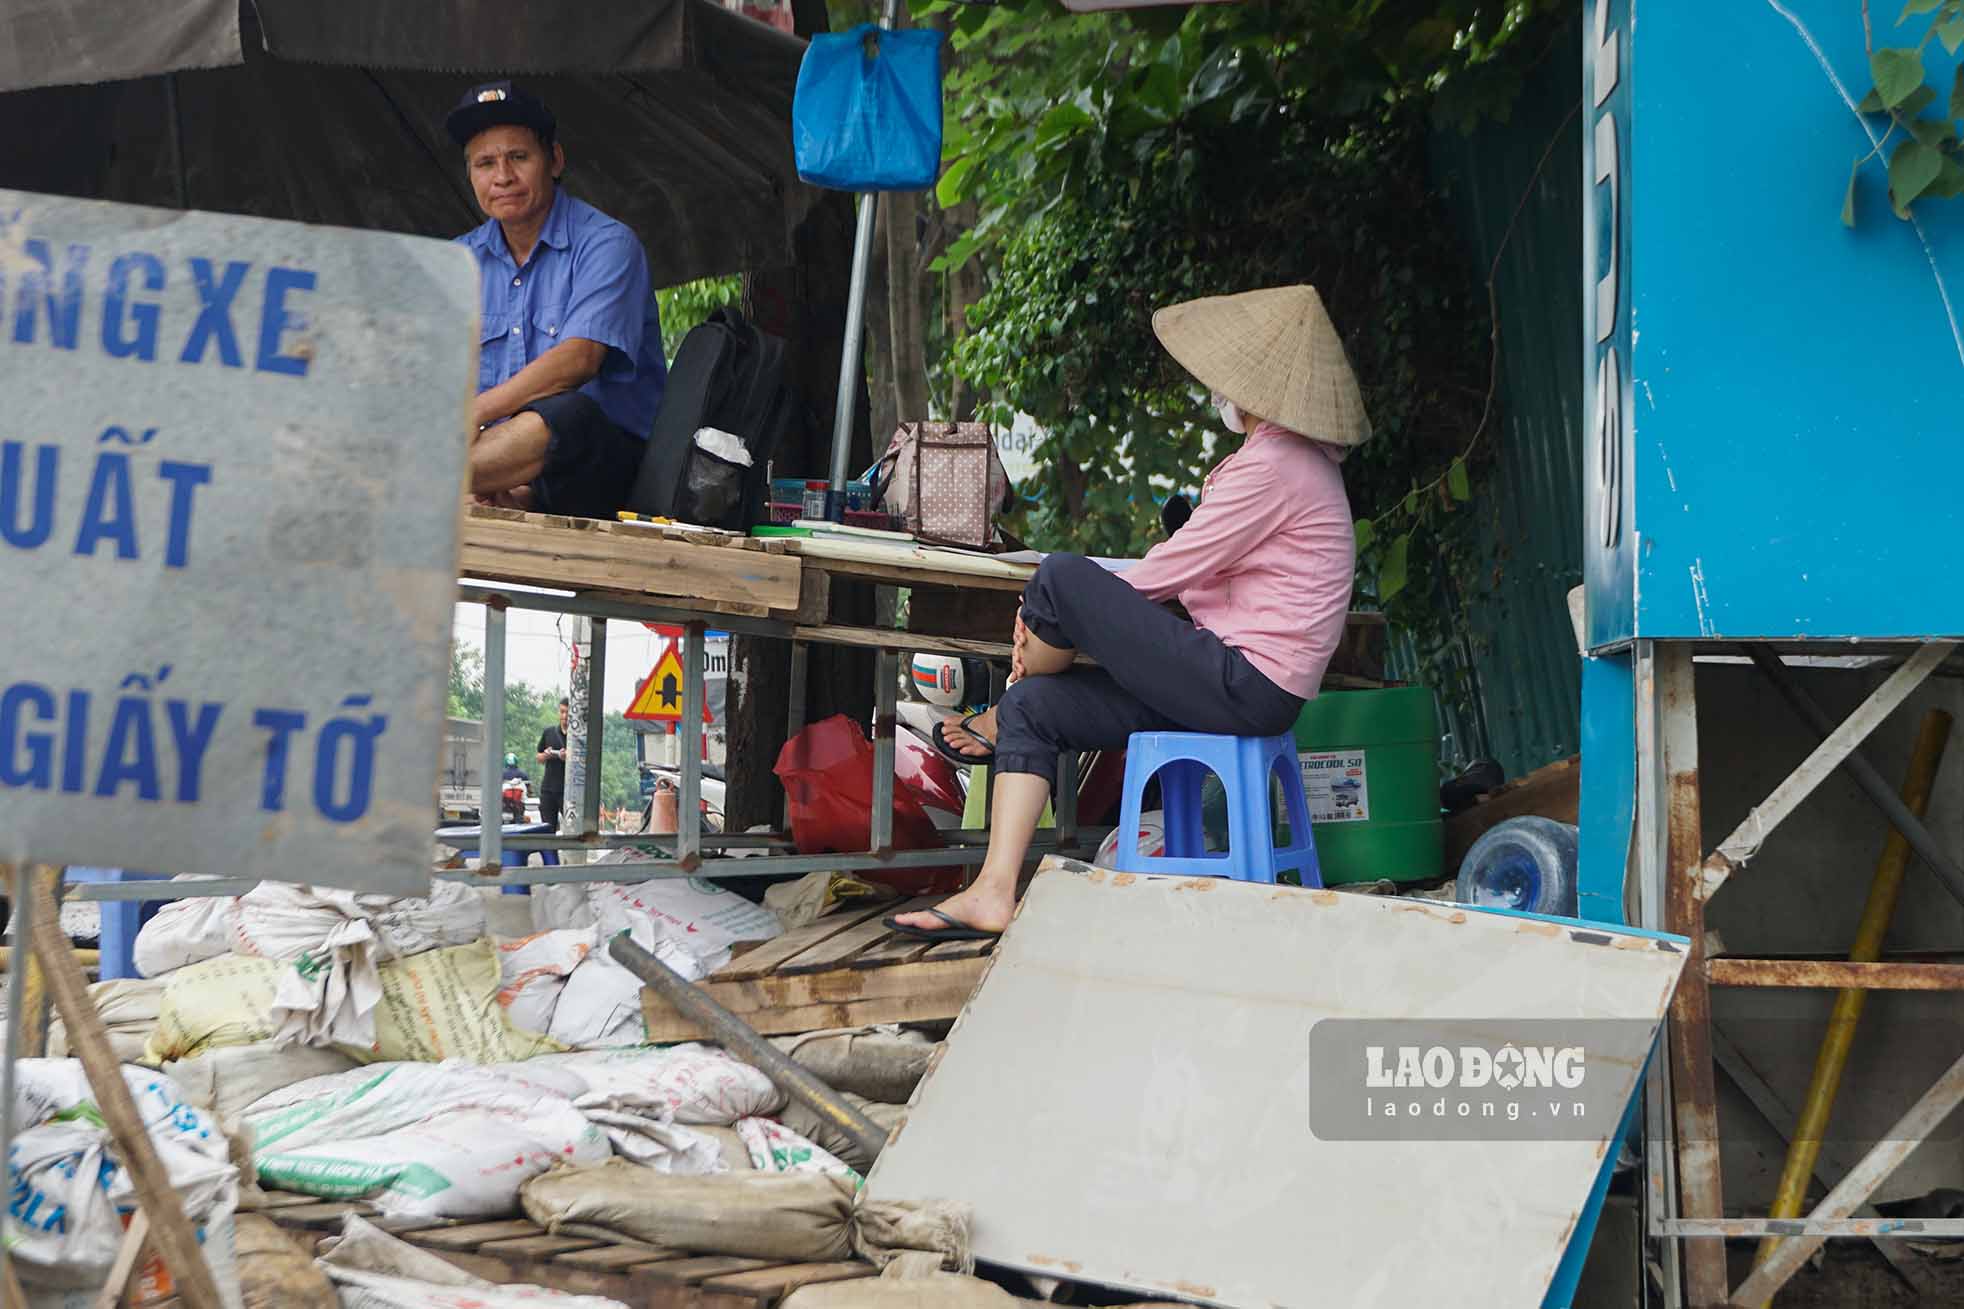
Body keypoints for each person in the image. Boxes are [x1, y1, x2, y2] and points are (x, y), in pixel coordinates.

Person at [889, 285, 1368, 940]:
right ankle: (994, 887)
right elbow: (1196, 583)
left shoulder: (1280, 466)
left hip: (1243, 684)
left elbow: (1167, 571)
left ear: (1255, 389)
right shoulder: (1287, 463)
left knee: (1057, 575)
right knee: (1040, 705)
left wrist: (1065, 603)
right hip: (1220, 680)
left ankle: (1005, 701)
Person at [449, 82, 668, 519]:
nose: (503, 177)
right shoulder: (456, 262)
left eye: (519, 157)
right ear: (471, 175)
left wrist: (470, 415)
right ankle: (482, 484)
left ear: (555, 161)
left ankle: (423, 476)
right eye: (485, 163)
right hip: (499, 463)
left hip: (602, 470)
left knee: (567, 412)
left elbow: (579, 360)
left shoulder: (607, 244)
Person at [537, 698, 570, 831]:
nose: (565, 716)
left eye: (568, 713)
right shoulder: (549, 732)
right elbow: (538, 757)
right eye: (562, 712)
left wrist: (568, 757)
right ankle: (551, 852)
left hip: (568, 793)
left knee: (573, 829)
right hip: (548, 790)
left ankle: (573, 852)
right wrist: (546, 755)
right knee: (547, 830)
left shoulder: (579, 736)